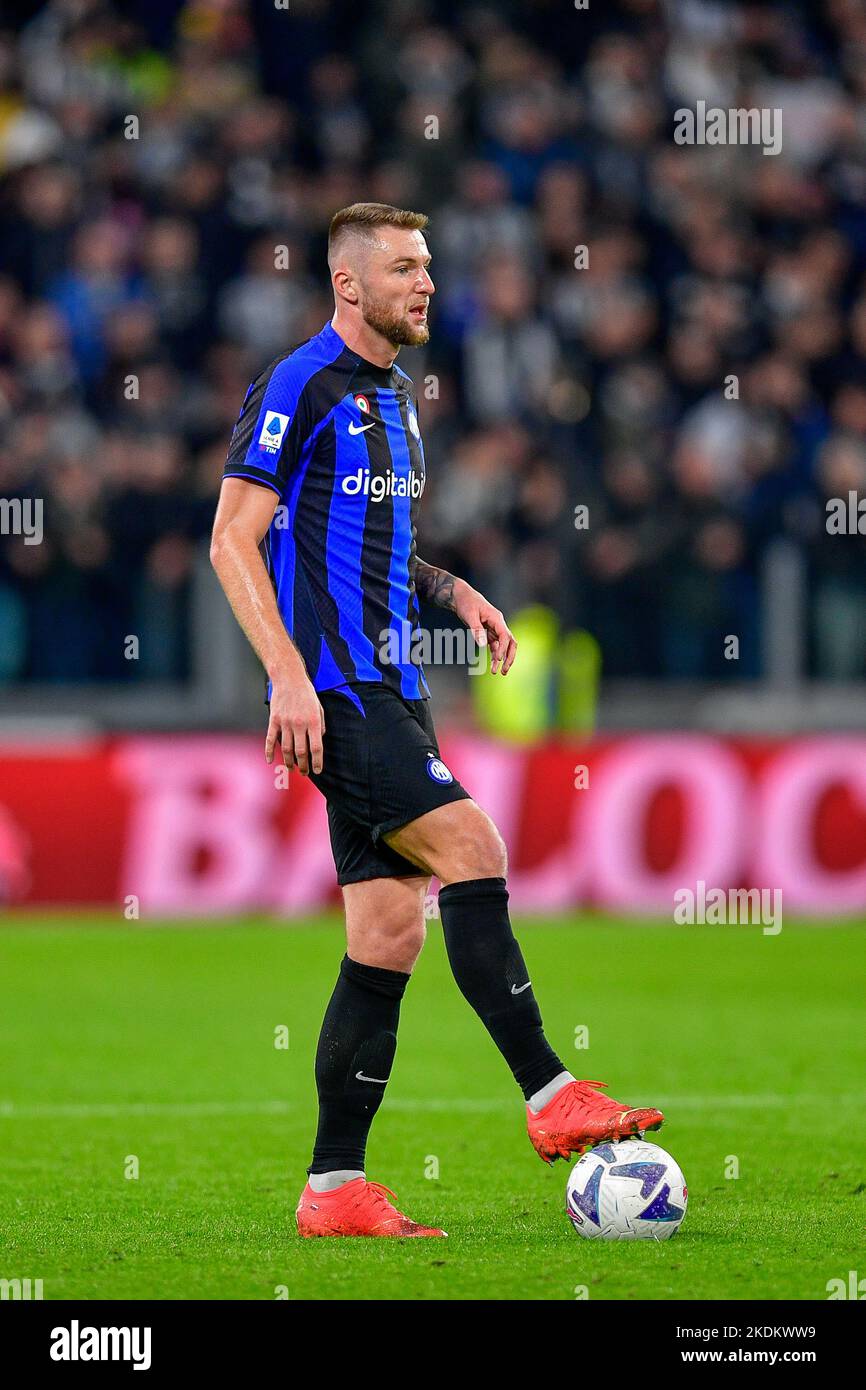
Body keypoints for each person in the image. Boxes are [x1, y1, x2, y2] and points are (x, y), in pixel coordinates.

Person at [210, 203, 663, 1238]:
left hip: (394, 683)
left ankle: (333, 1190)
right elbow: (232, 540)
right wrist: (283, 674)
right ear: (347, 284)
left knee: (384, 934)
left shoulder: (397, 397)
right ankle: (550, 1094)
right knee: (473, 845)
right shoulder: (300, 384)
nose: (424, 283)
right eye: (404, 267)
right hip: (334, 691)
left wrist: (452, 590)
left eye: (427, 265)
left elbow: (368, 548)